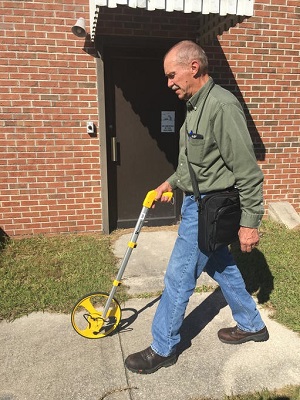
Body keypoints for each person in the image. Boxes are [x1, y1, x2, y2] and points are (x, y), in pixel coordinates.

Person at [125, 40, 269, 374]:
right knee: (220, 266)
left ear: (193, 67)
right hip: (197, 204)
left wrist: (249, 223)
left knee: (178, 277)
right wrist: (170, 183)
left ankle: (163, 347)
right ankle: (252, 324)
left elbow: (248, 171)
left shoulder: (221, 106)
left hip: (210, 209)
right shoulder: (193, 106)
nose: (169, 82)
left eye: (171, 74)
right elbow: (194, 164)